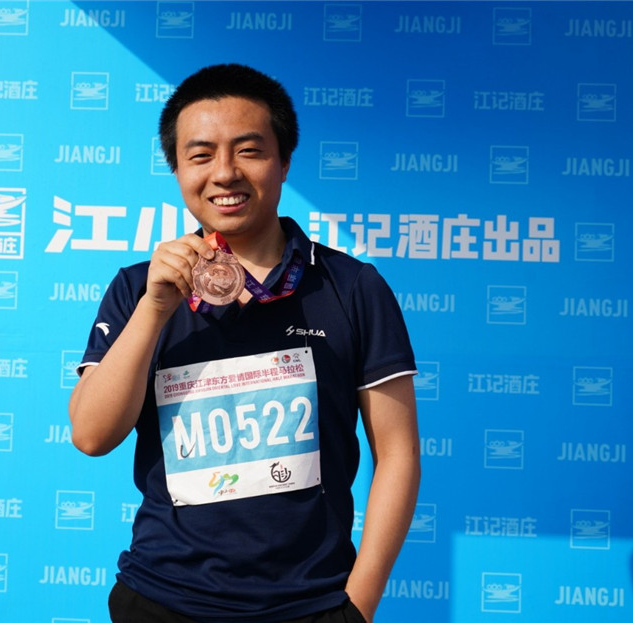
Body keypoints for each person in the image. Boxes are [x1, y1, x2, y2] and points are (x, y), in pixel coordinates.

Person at [69, 64, 419, 623]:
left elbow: (398, 454)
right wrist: (155, 309)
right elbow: (91, 435)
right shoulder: (139, 288)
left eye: (249, 151)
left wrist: (358, 606)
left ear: (284, 161)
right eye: (201, 155)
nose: (225, 173)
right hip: (161, 600)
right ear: (177, 168)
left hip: (311, 605)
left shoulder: (353, 288)